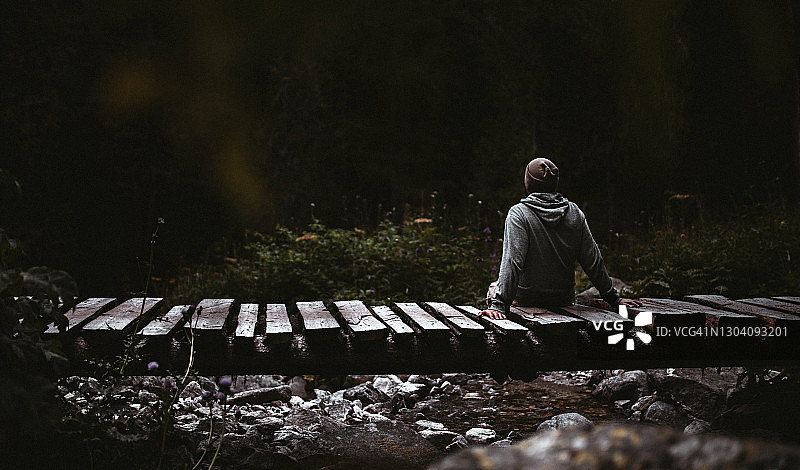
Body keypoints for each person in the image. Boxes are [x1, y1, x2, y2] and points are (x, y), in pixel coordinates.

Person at [479, 157, 641, 320]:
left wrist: (498, 305)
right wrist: (614, 299)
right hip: (563, 299)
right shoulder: (574, 213)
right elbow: (593, 261)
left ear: (528, 184)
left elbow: (512, 262)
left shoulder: (519, 214)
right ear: (555, 183)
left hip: (527, 300)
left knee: (494, 287)